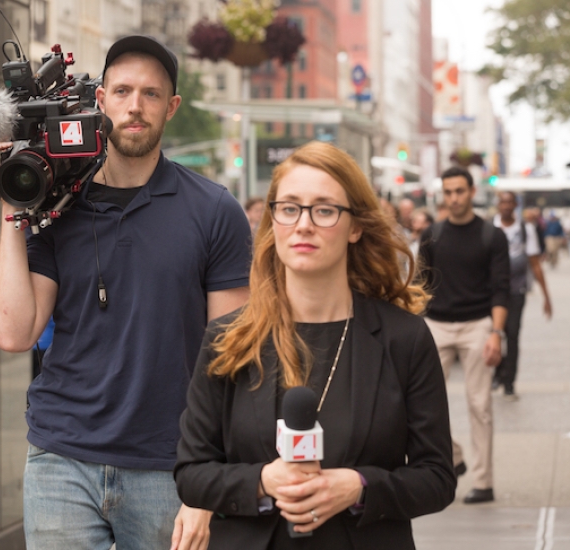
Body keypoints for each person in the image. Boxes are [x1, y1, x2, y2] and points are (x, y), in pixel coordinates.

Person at [0, 35, 252, 550]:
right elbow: (14, 332)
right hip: (62, 459)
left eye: (151, 94)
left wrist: (206, 485)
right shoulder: (57, 205)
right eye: (123, 91)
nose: (135, 106)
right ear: (101, 99)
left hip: (169, 465)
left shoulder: (215, 211)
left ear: (171, 107)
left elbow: (231, 359)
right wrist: (11, 203)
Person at [175, 141, 456, 549]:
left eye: (324, 210)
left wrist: (359, 487)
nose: (304, 224)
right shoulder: (227, 338)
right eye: (290, 208)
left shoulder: (404, 338)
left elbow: (438, 477)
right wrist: (262, 480)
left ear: (355, 227)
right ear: (273, 221)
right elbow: (191, 473)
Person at [418, 166, 510, 504]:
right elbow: (420, 286)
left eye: (459, 191)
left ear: (472, 192)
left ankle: (484, 482)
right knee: (420, 403)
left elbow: (501, 289)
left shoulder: (491, 236)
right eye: (448, 192)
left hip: (477, 325)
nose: (454, 198)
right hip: (436, 325)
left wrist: (496, 333)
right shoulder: (431, 235)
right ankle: (455, 456)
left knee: (479, 404)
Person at [492, 192, 552, 400]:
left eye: (510, 202)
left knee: (513, 334)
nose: (506, 206)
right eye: (503, 202)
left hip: (516, 291)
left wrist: (546, 297)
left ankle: (509, 381)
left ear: (515, 205)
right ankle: (498, 372)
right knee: (494, 332)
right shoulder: (490, 228)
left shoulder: (526, 230)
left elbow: (535, 264)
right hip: (491, 292)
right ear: (498, 205)